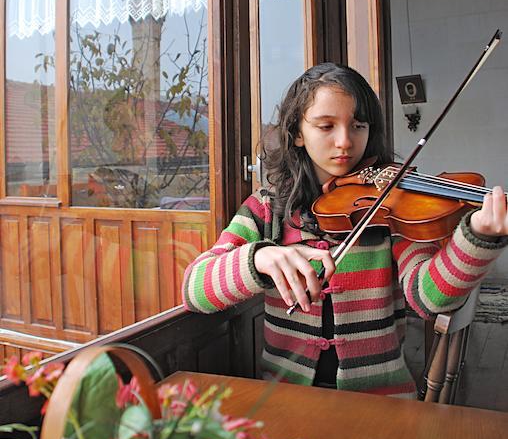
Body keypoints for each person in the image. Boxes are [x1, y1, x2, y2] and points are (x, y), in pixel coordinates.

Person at [182, 63, 508, 397]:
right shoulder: (267, 208)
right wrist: (259, 258)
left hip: (381, 403)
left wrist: (477, 237)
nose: (345, 142)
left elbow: (428, 296)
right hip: (288, 400)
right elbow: (194, 288)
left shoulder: (390, 208)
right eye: (326, 126)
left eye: (358, 125)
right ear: (297, 133)